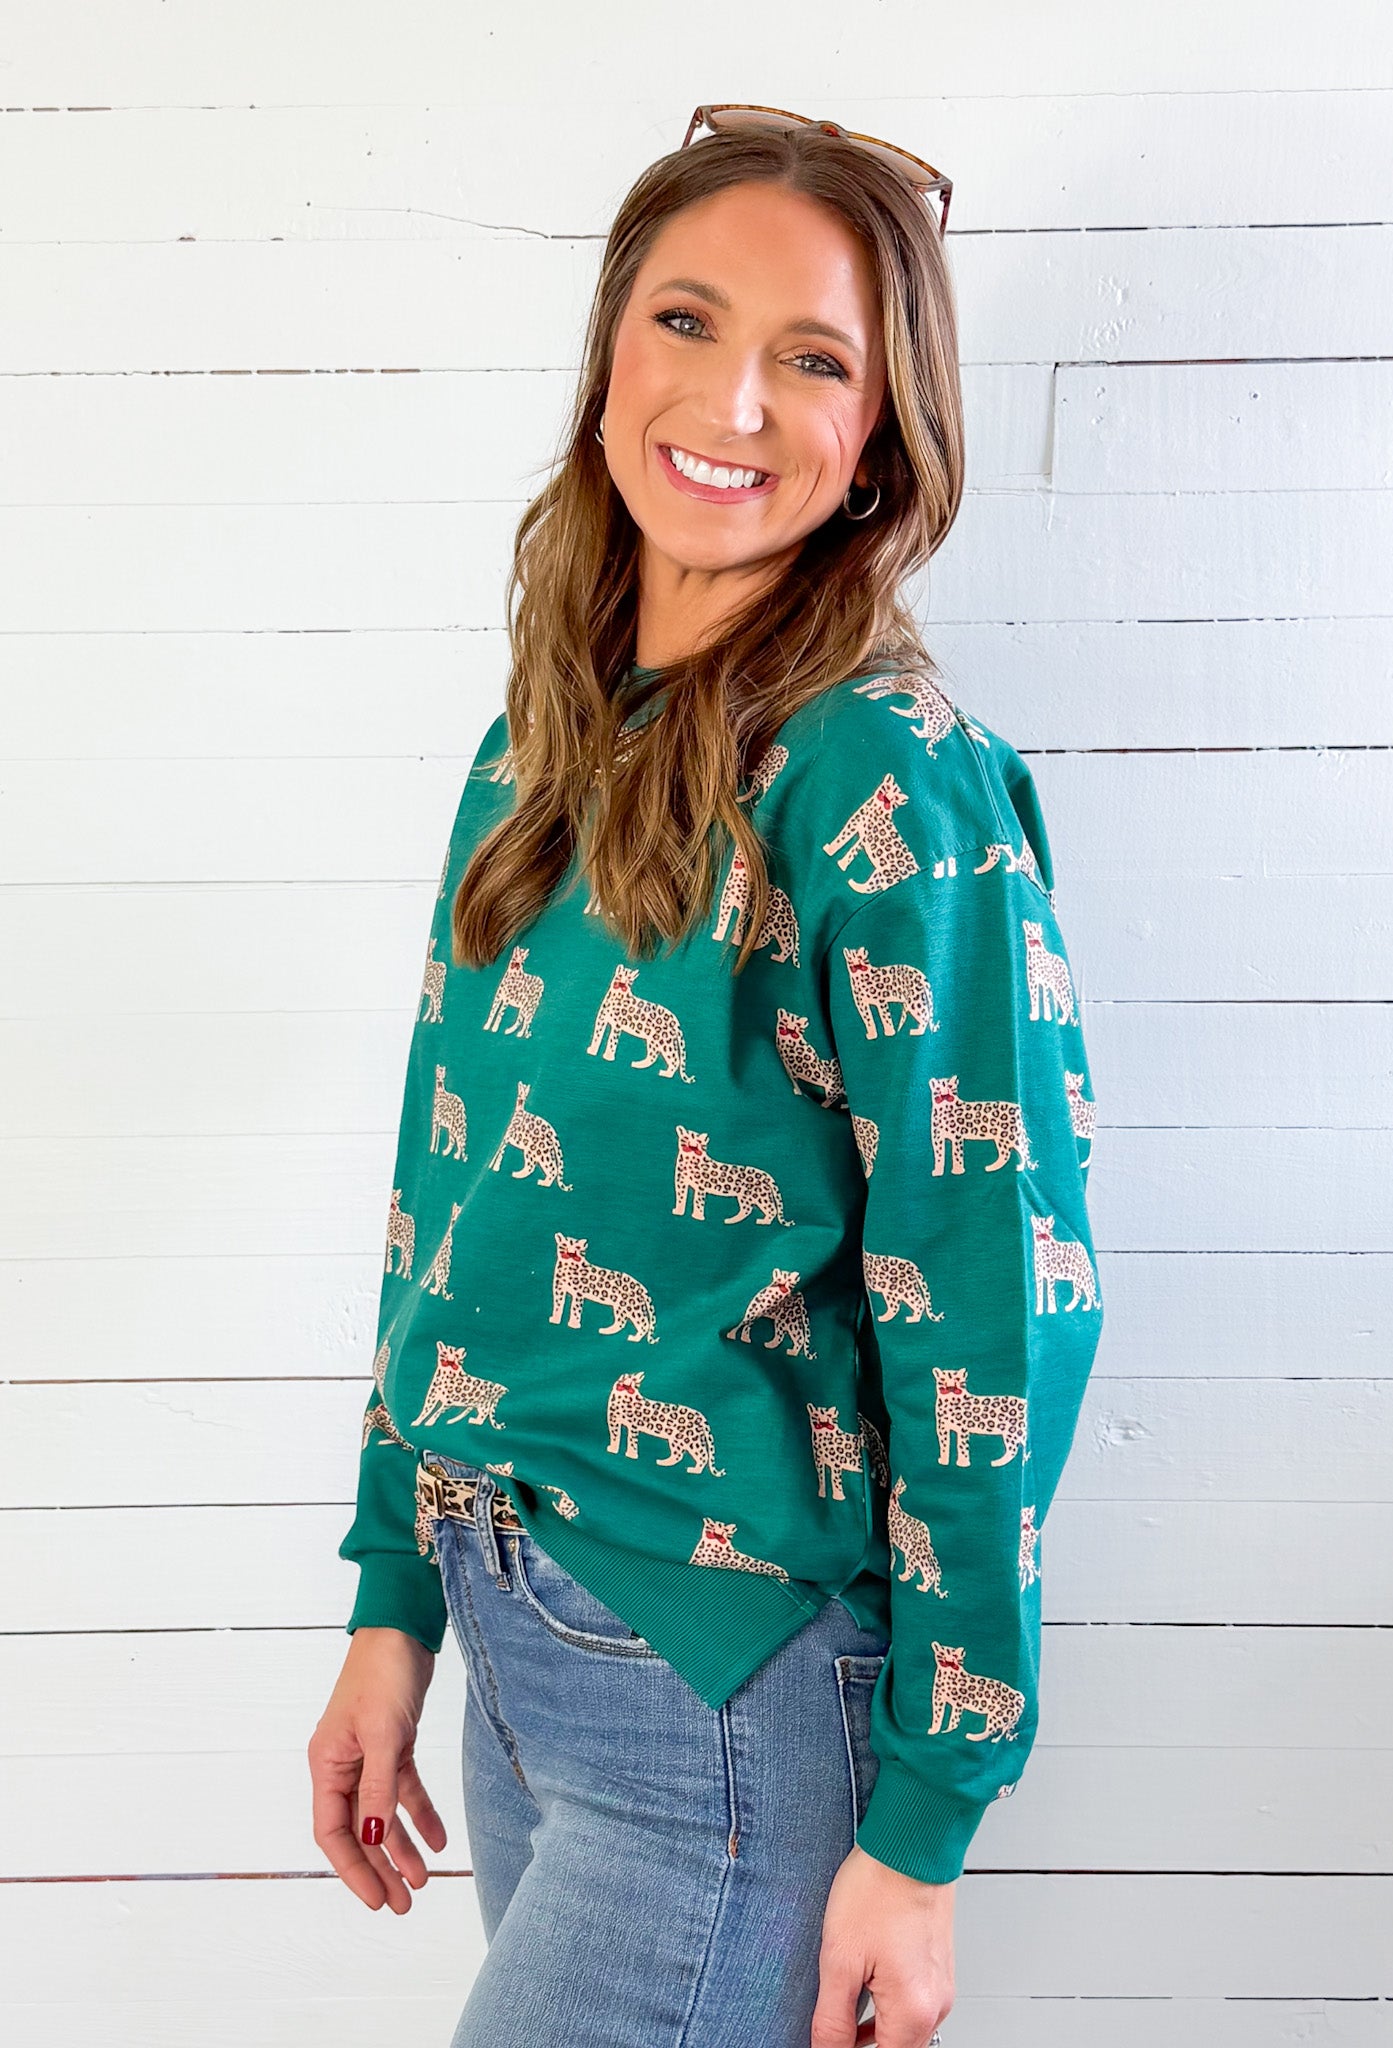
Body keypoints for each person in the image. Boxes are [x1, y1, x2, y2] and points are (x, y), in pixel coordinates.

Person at [308, 105, 1104, 2048]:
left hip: (725, 1701)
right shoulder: (548, 728)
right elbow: (452, 1179)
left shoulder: (883, 780)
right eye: (685, 319)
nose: (732, 399)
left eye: (814, 358)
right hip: (512, 1628)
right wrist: (391, 1593)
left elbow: (997, 1306)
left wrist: (923, 1831)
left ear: (880, 438)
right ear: (610, 362)